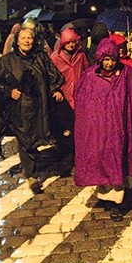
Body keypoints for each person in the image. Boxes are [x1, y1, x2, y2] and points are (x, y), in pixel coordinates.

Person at [73, 37, 132, 221]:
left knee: (117, 161)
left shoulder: (126, 74)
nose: (109, 63)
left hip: (118, 127)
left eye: (112, 60)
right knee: (100, 160)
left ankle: (117, 201)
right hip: (98, 128)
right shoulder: (90, 76)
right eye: (106, 59)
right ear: (100, 59)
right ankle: (104, 195)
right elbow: (81, 101)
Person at [0, 27, 65, 194]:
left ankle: (34, 165)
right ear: (17, 41)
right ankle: (31, 174)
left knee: (39, 137)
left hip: (41, 108)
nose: (27, 41)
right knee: (25, 140)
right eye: (23, 38)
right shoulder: (6, 61)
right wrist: (8, 92)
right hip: (19, 110)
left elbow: (54, 76)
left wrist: (55, 90)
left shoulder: (41, 58)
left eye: (29, 38)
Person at [49, 28, 88, 167]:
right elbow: (50, 77)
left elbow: (86, 71)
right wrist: (55, 90)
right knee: (65, 128)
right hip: (63, 98)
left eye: (74, 42)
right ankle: (66, 155)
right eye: (69, 42)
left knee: (79, 127)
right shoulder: (55, 57)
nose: (71, 45)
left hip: (79, 96)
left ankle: (78, 154)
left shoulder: (81, 55)